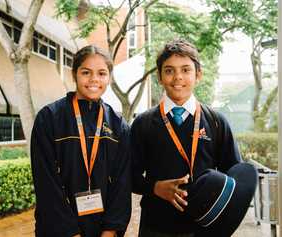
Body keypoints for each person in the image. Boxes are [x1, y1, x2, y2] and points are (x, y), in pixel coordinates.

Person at [131, 39, 242, 237]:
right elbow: (130, 177)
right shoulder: (143, 123)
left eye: (185, 70)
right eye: (169, 70)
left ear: (198, 75)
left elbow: (234, 177)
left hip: (203, 227)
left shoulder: (217, 122)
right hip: (155, 227)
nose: (177, 77)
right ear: (159, 76)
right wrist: (155, 187)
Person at [31, 45, 131, 237]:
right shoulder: (50, 118)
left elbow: (122, 183)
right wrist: (69, 232)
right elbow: (46, 182)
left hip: (103, 229)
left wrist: (110, 231)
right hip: (58, 228)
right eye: (86, 72)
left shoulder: (119, 126)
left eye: (101, 73)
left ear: (109, 77)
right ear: (74, 74)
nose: (94, 79)